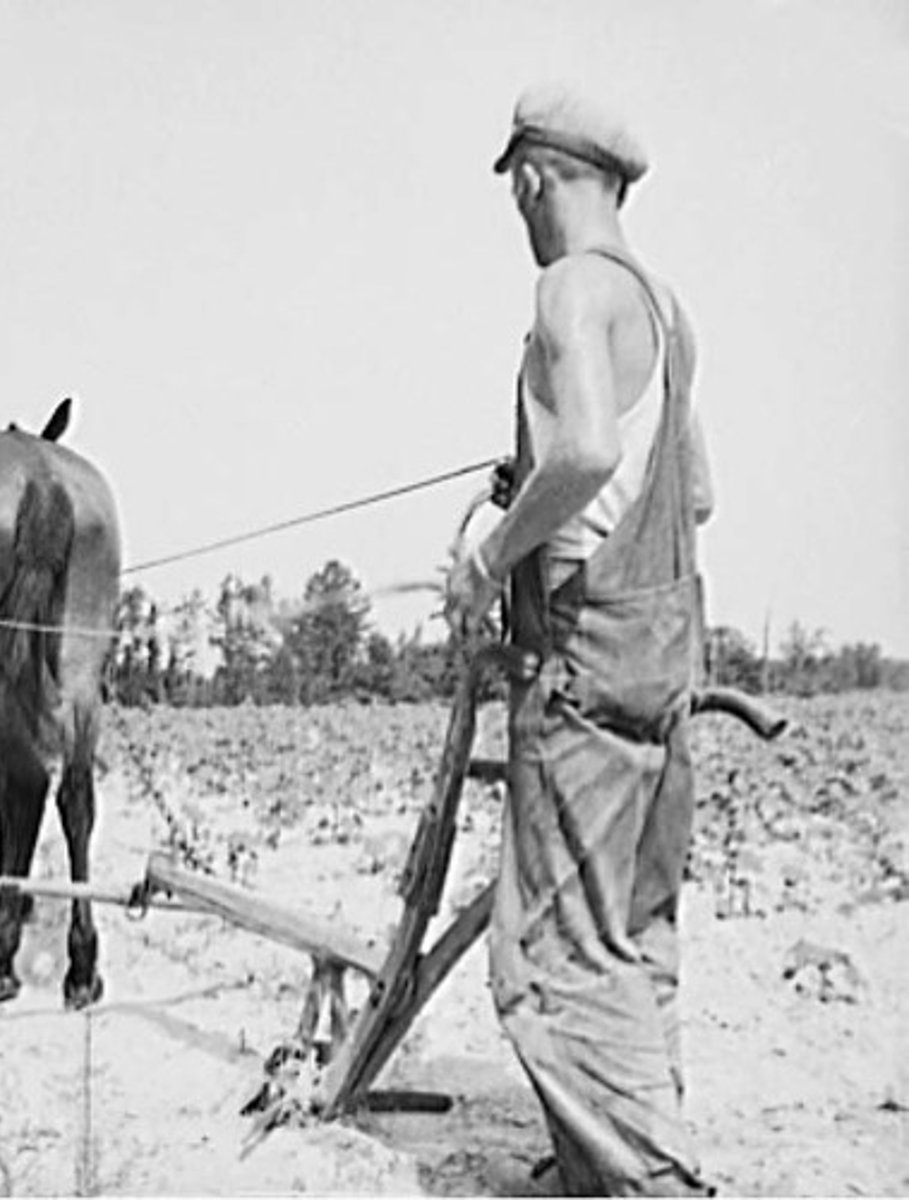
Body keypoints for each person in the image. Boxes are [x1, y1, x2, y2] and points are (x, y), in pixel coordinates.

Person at [444, 84, 716, 1196]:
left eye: (515, 191)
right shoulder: (664, 310)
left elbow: (592, 454)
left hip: (582, 670)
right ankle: (597, 1169)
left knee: (549, 959)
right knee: (635, 938)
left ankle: (645, 1183)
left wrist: (493, 552)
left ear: (531, 179)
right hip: (663, 665)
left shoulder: (567, 293)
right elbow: (692, 494)